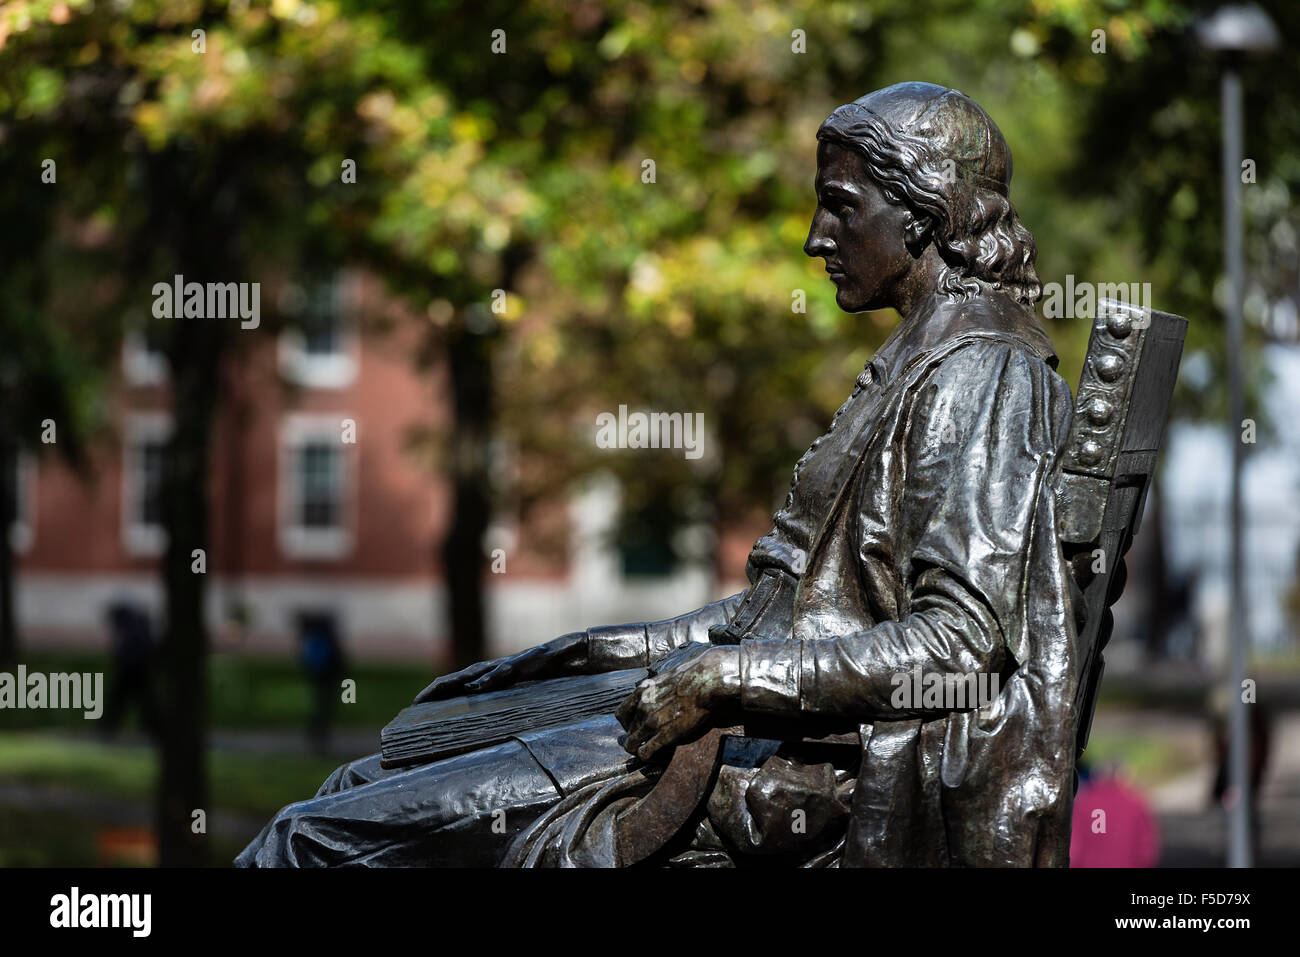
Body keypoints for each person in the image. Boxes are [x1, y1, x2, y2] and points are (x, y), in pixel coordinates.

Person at [238, 82, 1079, 867]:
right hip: (764, 738)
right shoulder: (928, 358)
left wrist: (724, 676)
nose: (815, 237)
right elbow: (793, 609)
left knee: (309, 839)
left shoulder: (983, 374)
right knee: (373, 774)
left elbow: (964, 646)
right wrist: (633, 644)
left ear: (923, 215)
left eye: (841, 207)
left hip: (796, 774)